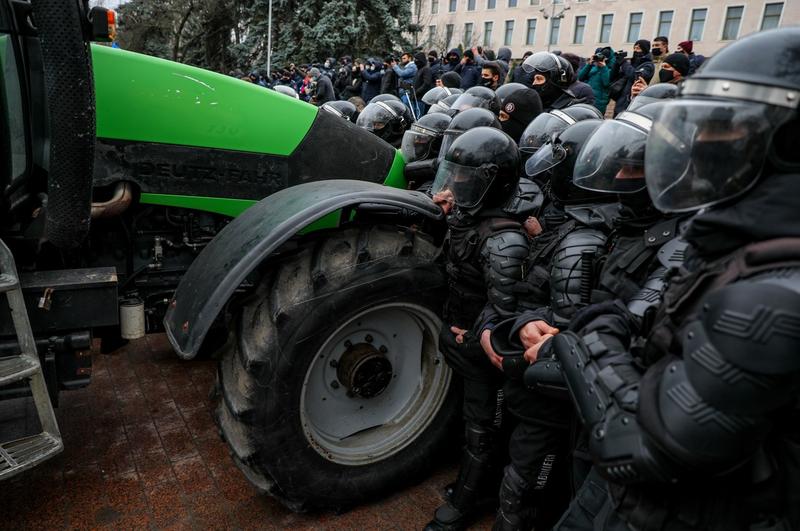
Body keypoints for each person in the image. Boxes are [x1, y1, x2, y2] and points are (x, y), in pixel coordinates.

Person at [548, 28, 800, 530]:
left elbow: (643, 448)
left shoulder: (775, 299)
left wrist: (592, 334)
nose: (698, 147)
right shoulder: (736, 241)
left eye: (724, 132)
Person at [425, 126, 533, 531]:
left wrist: (472, 338)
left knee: (482, 429)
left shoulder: (504, 241)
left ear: (493, 183)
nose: (455, 184)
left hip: (481, 351)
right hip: (459, 336)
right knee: (467, 421)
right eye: (453, 175)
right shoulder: (465, 216)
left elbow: (503, 317)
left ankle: (470, 500)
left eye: (466, 179)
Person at [614, 39, 655, 116]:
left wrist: (623, 62)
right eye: (634, 48)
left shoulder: (648, 65)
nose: (635, 50)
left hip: (633, 104)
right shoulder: (631, 63)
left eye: (638, 48)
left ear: (644, 49)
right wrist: (616, 62)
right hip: (621, 103)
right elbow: (614, 76)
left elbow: (635, 76)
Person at [578, 48, 612, 114]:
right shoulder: (592, 67)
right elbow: (580, 77)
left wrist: (604, 68)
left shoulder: (609, 69)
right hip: (587, 99)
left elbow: (606, 83)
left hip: (599, 103)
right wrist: (589, 64)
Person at [393, 52, 419, 117]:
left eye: (404, 58)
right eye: (402, 59)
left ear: (409, 58)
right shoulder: (406, 66)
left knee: (408, 110)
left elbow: (402, 74)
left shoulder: (412, 66)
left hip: (407, 92)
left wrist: (395, 66)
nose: (403, 60)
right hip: (403, 91)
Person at [413, 52, 435, 116]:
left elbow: (427, 83)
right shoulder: (419, 69)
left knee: (419, 115)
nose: (415, 61)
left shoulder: (426, 69)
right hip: (416, 97)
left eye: (416, 59)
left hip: (421, 97)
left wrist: (417, 92)